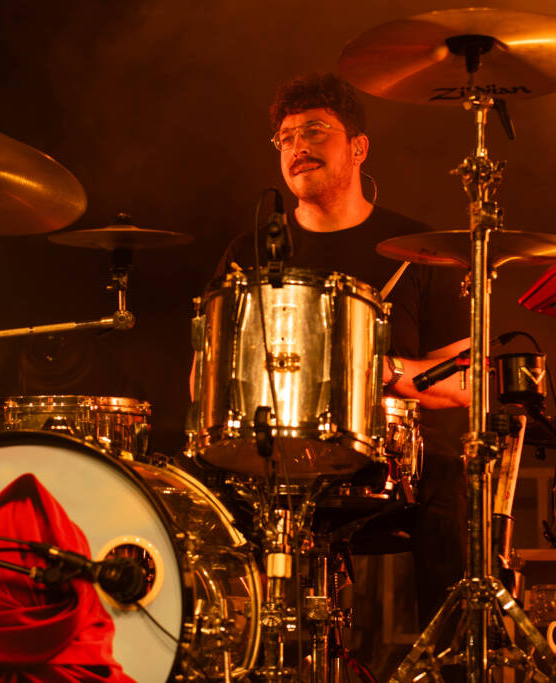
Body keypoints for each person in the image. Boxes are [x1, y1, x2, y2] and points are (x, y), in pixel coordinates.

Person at [212, 73, 472, 632]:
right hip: (273, 455)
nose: (297, 147)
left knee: (452, 479)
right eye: (286, 137)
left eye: (314, 131)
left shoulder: (421, 249)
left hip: (391, 463)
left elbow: (469, 380)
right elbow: (202, 379)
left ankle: (448, 658)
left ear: (358, 147)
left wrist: (381, 370)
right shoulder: (249, 251)